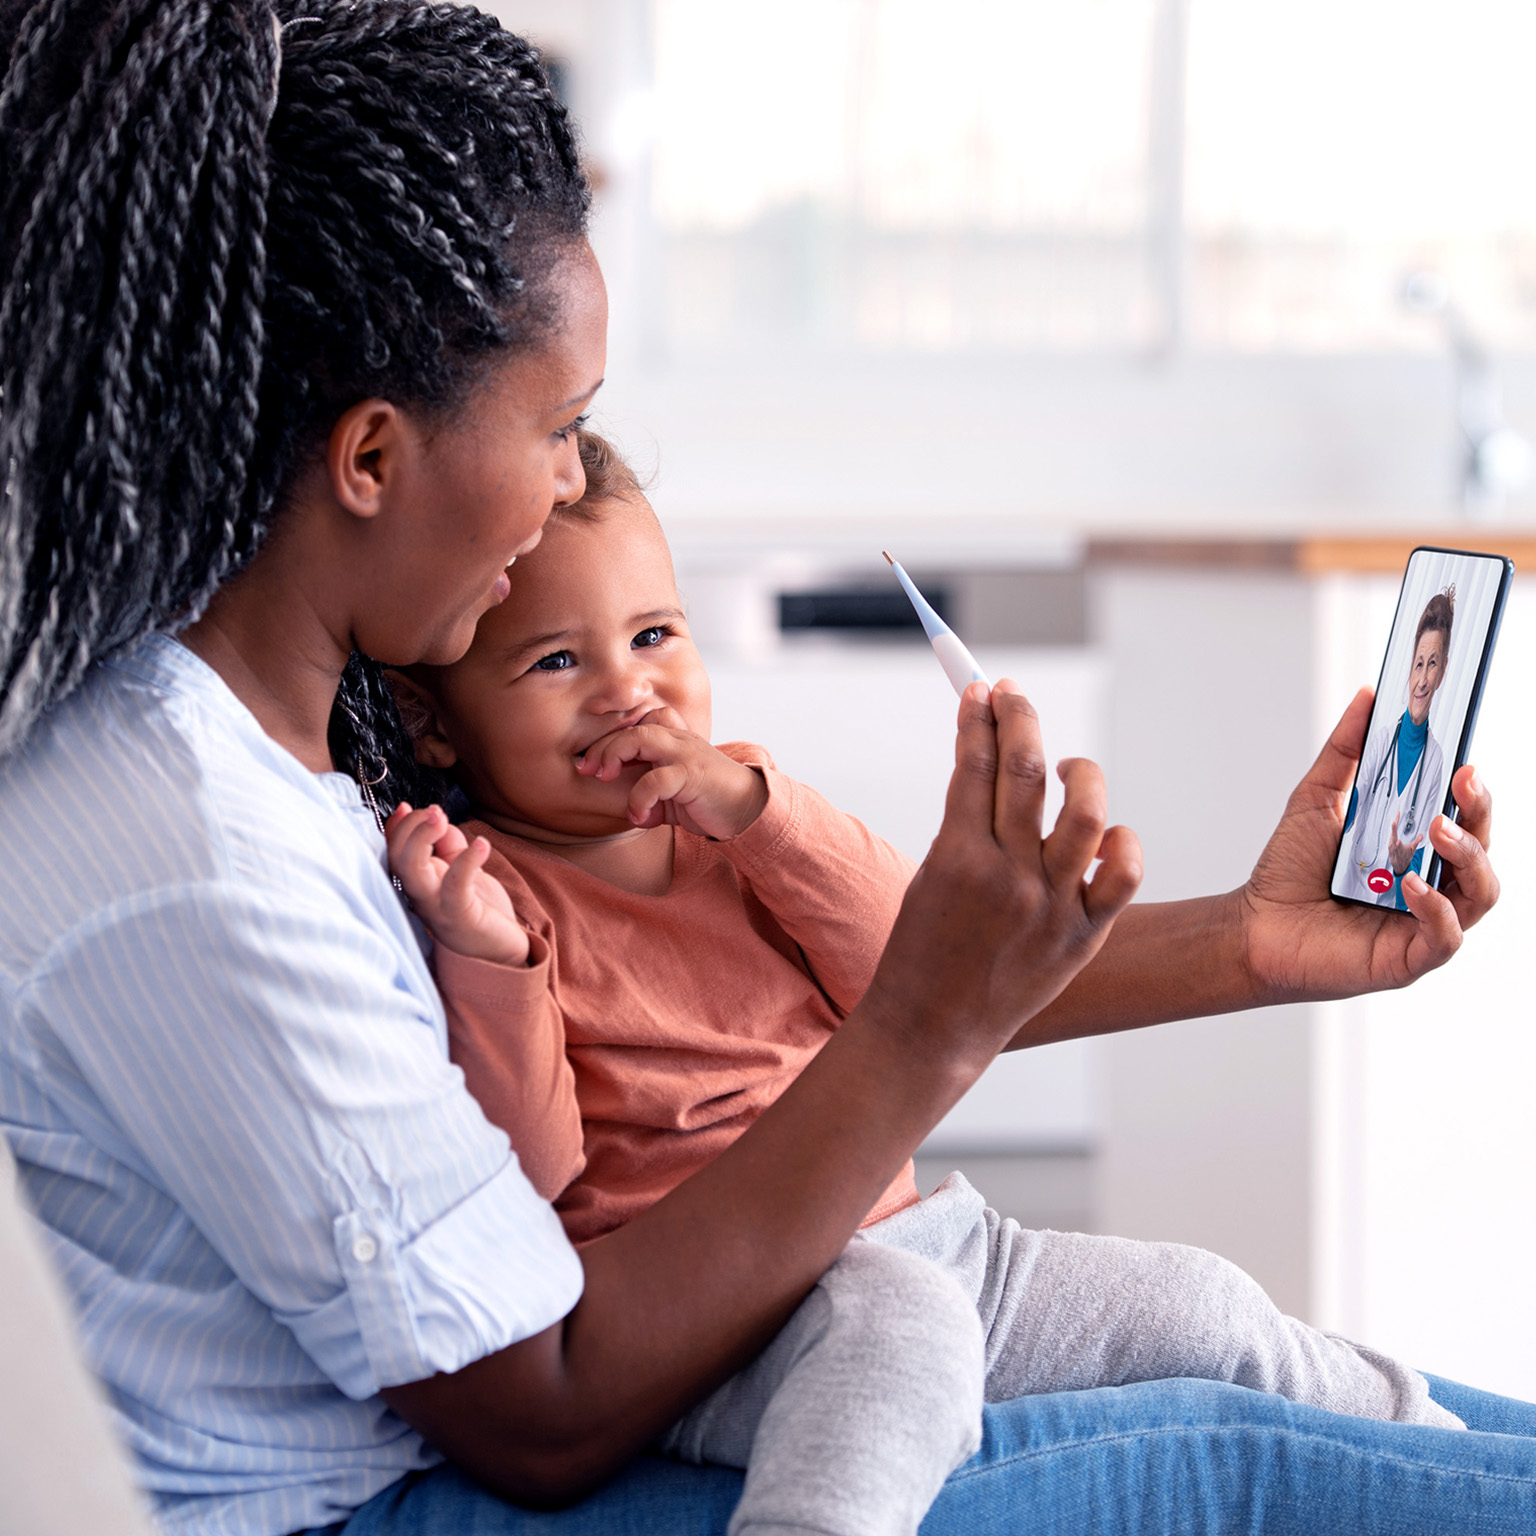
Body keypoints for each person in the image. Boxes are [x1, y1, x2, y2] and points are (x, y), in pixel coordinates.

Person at [0, 3, 1529, 1534]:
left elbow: (876, 976)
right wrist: (918, 1032)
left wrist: (1243, 944)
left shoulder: (282, 741)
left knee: (1309, 1370)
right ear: (374, 459)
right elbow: (543, 1405)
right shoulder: (207, 850)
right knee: (1240, 1457)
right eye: (559, 427)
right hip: (437, 1490)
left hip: (757, 1324)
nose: (561, 494)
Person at [381, 432, 1462, 1536]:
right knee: (899, 1335)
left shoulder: (739, 826)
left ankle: (1459, 1464)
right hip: (721, 1325)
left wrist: (758, 808)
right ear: (433, 720)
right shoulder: (492, 897)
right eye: (557, 662)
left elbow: (907, 960)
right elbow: (535, 1178)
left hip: (935, 1247)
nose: (628, 690)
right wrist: (490, 962)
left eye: (655, 635)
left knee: (1203, 1300)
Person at [1341, 588, 1454, 910]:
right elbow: (1346, 813)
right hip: (1347, 896)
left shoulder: (1435, 762)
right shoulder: (1379, 741)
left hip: (1390, 912)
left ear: (1443, 671)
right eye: (1418, 664)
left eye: (1432, 664)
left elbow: (1415, 885)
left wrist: (1404, 867)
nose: (1422, 679)